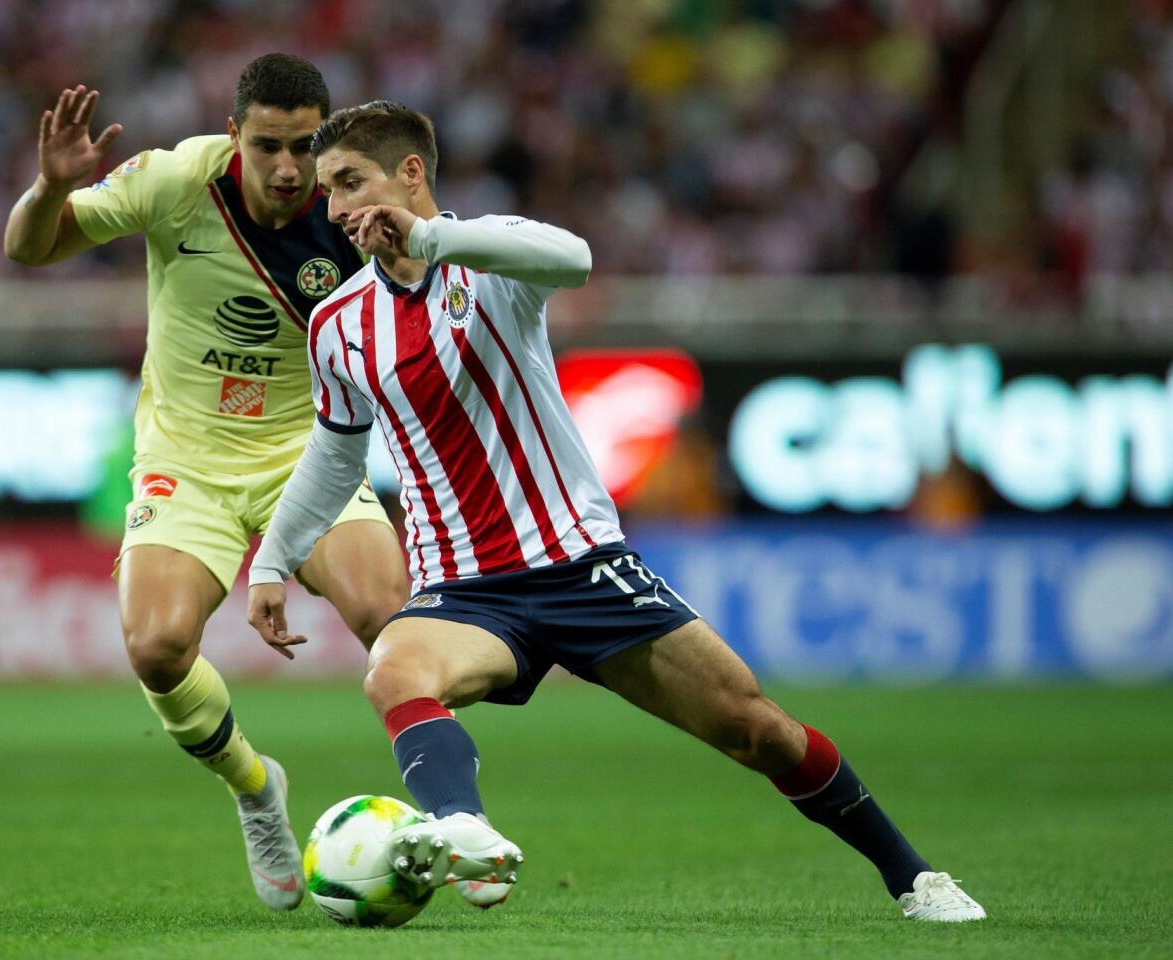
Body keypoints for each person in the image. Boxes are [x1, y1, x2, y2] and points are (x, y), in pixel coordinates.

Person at [245, 100, 987, 922]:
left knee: (758, 731)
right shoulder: (339, 323)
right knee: (393, 668)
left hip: (583, 567)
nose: (340, 210)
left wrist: (429, 239)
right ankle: (464, 828)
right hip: (466, 591)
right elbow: (336, 452)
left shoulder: (487, 264)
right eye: (329, 193)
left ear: (411, 174)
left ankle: (914, 877)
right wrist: (276, 560)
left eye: (352, 183)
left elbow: (574, 258)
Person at [3, 57, 411, 910]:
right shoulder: (176, 181)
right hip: (187, 459)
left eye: (305, 147)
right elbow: (28, 248)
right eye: (268, 145)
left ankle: (448, 817)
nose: (289, 169)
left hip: (311, 451)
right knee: (155, 647)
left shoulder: (358, 212)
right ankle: (257, 787)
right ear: (235, 136)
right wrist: (49, 190)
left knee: (391, 619)